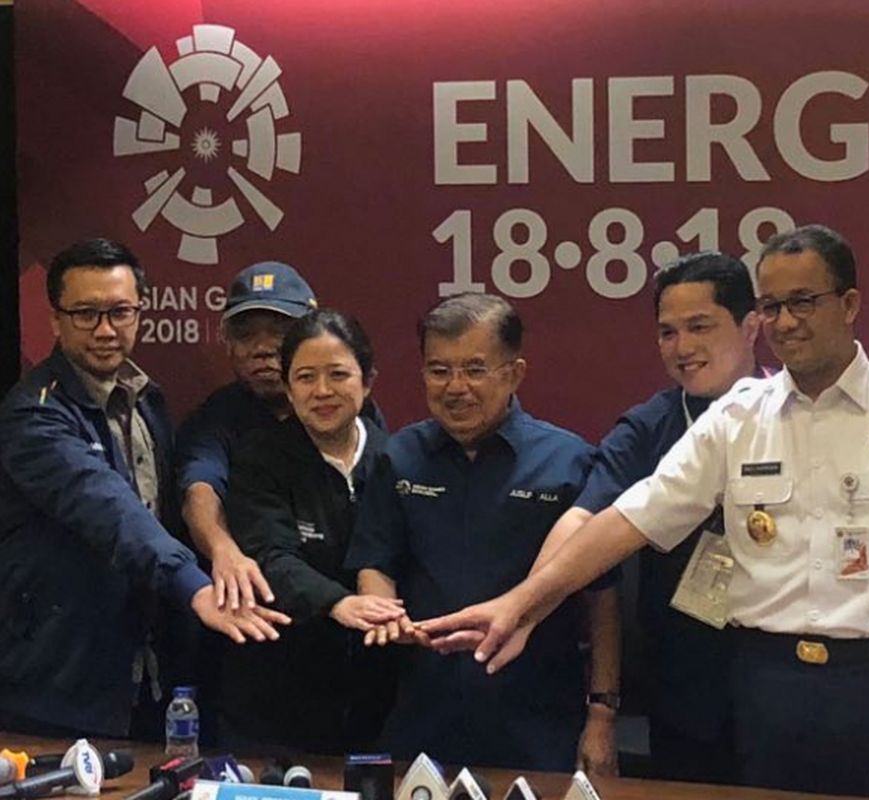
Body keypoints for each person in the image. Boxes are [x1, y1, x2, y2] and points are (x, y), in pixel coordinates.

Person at [421, 225, 869, 800]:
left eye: (803, 301)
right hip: (769, 689)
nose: (787, 322)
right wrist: (522, 605)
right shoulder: (738, 419)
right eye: (773, 306)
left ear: (848, 304)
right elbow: (629, 519)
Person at [0, 238, 288, 738]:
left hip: (149, 679)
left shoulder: (146, 400)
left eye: (120, 311)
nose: (105, 330)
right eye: (86, 314)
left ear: (140, 313)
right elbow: (109, 508)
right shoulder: (34, 413)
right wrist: (194, 585)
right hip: (58, 679)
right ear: (56, 320)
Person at [345, 293, 617, 772]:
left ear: (513, 373)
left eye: (475, 369)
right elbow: (376, 561)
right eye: (439, 370)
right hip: (423, 718)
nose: (456, 387)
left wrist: (602, 714)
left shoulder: (568, 461)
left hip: (538, 723)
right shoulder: (400, 456)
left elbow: (601, 599)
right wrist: (383, 612)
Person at [535, 251, 762, 784]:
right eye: (667, 332)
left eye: (700, 327)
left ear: (752, 326)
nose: (683, 348)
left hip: (784, 681)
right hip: (687, 689)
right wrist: (528, 600)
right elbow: (585, 518)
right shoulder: (648, 428)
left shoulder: (799, 411)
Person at [219, 310, 407, 753]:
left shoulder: (397, 457)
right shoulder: (260, 458)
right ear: (287, 387)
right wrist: (337, 602)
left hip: (378, 699)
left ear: (368, 381)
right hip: (277, 700)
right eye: (305, 377)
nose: (322, 391)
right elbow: (269, 555)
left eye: (338, 374)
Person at [177, 261, 386, 611]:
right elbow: (200, 487)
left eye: (280, 330)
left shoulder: (363, 418)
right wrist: (223, 549)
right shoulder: (218, 418)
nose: (263, 347)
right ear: (226, 343)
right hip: (269, 614)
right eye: (246, 334)